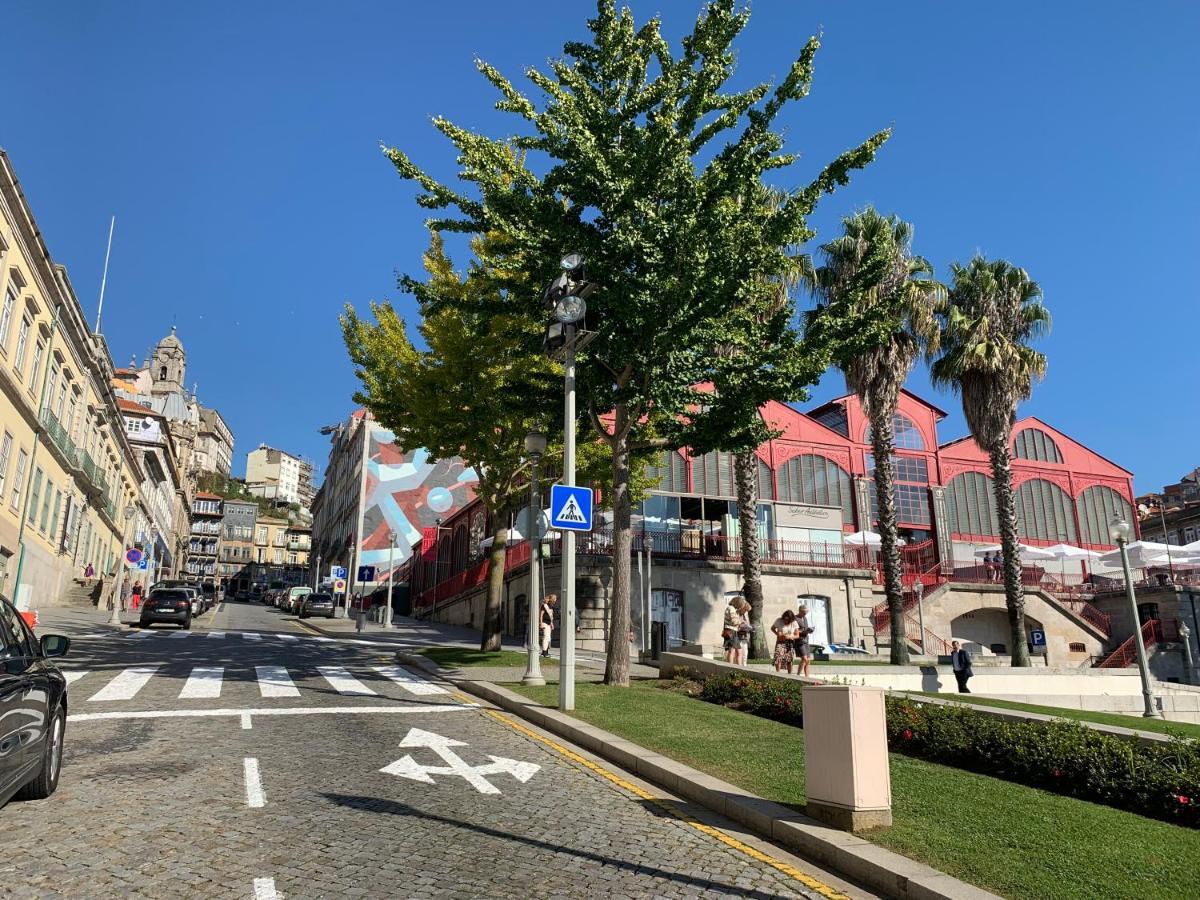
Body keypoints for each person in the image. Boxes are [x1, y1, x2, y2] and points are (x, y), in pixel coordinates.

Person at [770, 609, 799, 674]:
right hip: (780, 642)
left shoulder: (794, 623)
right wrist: (777, 634)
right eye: (785, 619)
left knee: (789, 660)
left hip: (789, 643)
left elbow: (797, 635)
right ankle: (778, 673)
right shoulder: (779, 620)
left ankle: (789, 674)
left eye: (788, 620)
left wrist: (791, 637)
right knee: (778, 657)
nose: (786, 621)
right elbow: (772, 628)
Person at [794, 602, 814, 678]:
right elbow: (793, 630)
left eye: (806, 613)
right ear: (800, 611)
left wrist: (809, 630)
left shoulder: (805, 618)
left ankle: (807, 677)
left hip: (806, 640)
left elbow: (805, 628)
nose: (805, 614)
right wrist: (802, 631)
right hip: (799, 641)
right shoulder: (795, 619)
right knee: (804, 659)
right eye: (804, 613)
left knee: (808, 660)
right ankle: (798, 675)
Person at [540, 594, 557, 658]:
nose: (555, 601)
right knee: (546, 637)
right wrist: (541, 623)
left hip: (549, 623)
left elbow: (551, 617)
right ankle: (544, 652)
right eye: (555, 599)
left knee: (548, 638)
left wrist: (552, 624)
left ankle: (545, 652)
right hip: (544, 623)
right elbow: (541, 615)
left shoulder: (551, 606)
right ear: (552, 599)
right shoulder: (544, 606)